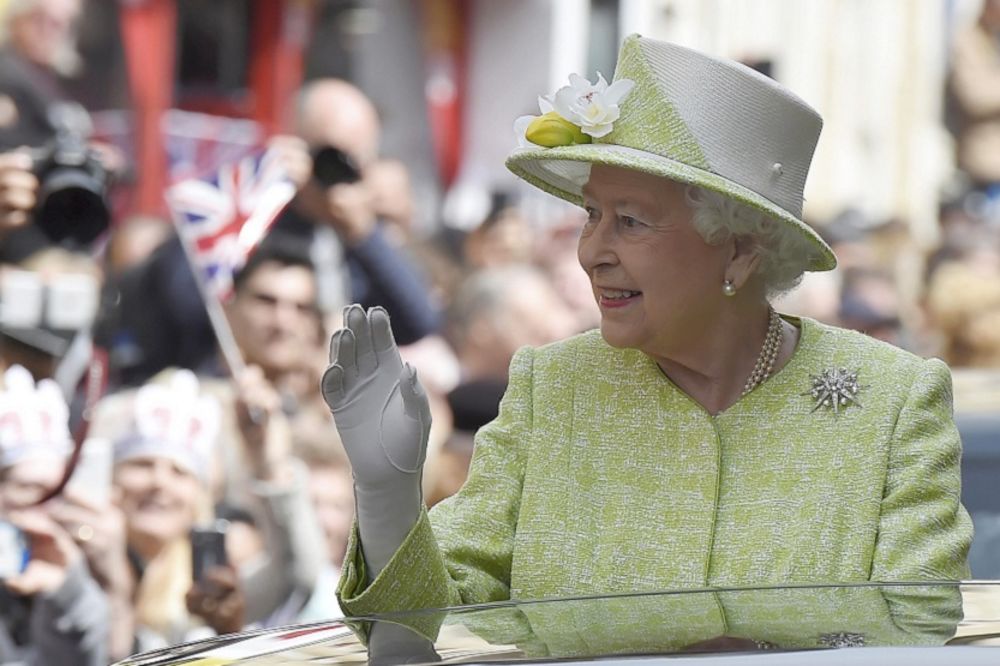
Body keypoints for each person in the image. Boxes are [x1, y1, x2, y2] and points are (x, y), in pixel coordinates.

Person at [320, 35, 973, 623]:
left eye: (630, 221)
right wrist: (387, 495)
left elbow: (919, 635)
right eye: (591, 215)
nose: (591, 251)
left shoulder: (891, 403)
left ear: (741, 250)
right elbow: (428, 626)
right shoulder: (553, 389)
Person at [0, 364, 109, 666]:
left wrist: (68, 596)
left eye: (56, 493)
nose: (45, 509)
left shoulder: (78, 575)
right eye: (28, 490)